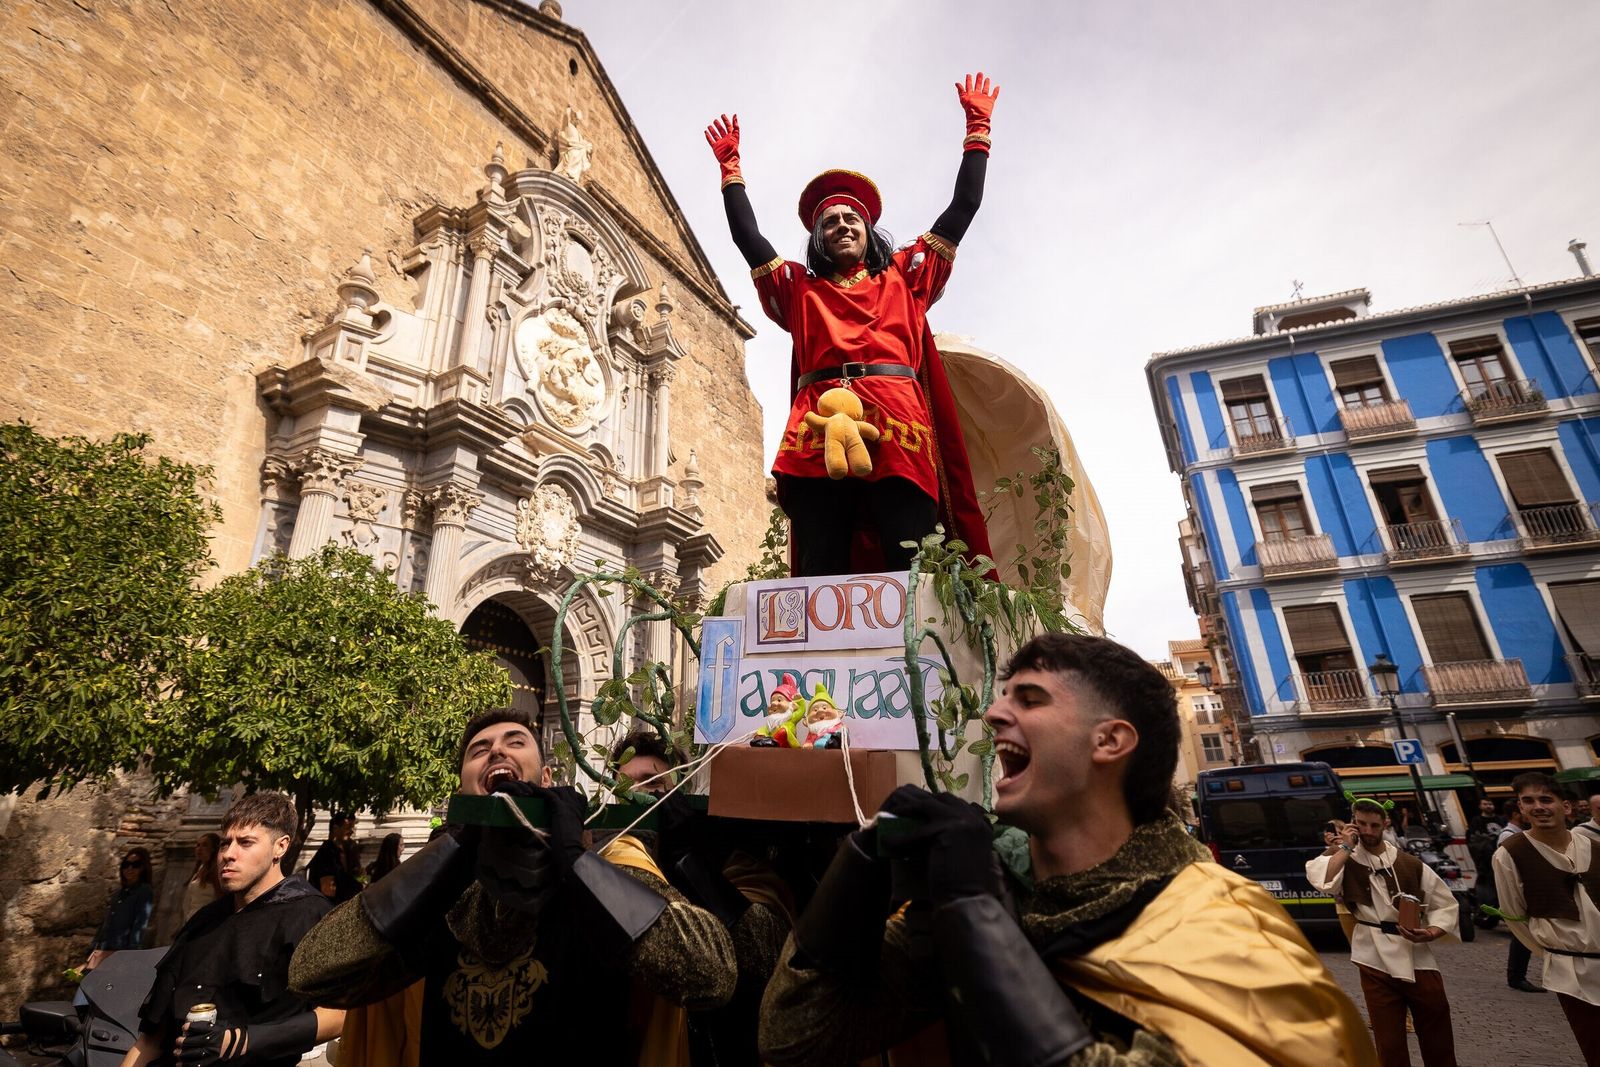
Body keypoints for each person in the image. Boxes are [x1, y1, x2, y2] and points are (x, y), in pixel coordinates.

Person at [761, 632, 1374, 1066]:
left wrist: (976, 916)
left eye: (1029, 699)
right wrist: (861, 865)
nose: (995, 713)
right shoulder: (1006, 890)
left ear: (1109, 741)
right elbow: (792, 1040)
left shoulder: (1225, 927)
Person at [288, 707, 737, 1064]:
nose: (496, 752)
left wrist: (576, 866)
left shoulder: (611, 867)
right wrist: (457, 850)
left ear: (546, 780)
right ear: (462, 789)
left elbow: (711, 975)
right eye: (479, 749)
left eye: (514, 742)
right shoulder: (442, 899)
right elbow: (313, 974)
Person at [704, 74, 998, 577]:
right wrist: (732, 171)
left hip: (898, 419)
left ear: (867, 230)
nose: (841, 224)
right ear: (819, 238)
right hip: (816, 424)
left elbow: (962, 209)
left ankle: (915, 653)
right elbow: (746, 237)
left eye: (850, 219)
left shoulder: (907, 275)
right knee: (823, 560)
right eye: (830, 222)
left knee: (910, 556)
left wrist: (978, 130)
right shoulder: (799, 290)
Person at [609, 728, 795, 1067]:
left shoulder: (737, 867)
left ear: (682, 790)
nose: (637, 799)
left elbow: (769, 959)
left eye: (652, 784)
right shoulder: (610, 872)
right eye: (625, 789)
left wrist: (689, 863)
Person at [121, 792, 342, 1067]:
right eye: (225, 842)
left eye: (246, 842)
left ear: (280, 847)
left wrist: (242, 1041)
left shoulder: (309, 914)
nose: (228, 854)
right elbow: (151, 1041)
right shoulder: (203, 921)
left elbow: (338, 1016)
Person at [1317, 797, 1459, 1067]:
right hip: (1373, 955)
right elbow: (1324, 881)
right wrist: (1346, 845)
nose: (1368, 831)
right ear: (1353, 824)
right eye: (1361, 825)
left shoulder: (1410, 863)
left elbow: (1445, 904)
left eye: (1373, 825)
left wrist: (1430, 932)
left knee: (1437, 1030)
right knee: (1389, 1040)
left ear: (1386, 823)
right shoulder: (1344, 859)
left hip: (1417, 952)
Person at [1492, 772, 1600, 1065]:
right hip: (1571, 968)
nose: (1538, 806)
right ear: (1521, 808)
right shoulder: (1509, 854)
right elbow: (1515, 916)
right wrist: (1553, 950)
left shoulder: (1593, 846)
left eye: (1545, 799)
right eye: (1528, 801)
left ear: (1566, 807)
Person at [84, 847, 155, 972]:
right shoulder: (119, 893)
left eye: (136, 865)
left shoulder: (144, 891)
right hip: (105, 948)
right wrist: (93, 946)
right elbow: (106, 923)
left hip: (121, 952)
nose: (130, 869)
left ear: (143, 868)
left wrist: (131, 955)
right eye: (126, 865)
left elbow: (139, 924)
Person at [1497, 806, 1543, 992]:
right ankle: (1516, 976)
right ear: (1516, 814)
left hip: (1533, 887)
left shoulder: (1523, 834)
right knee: (1522, 933)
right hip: (1521, 889)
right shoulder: (1508, 836)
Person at [1308, 819, 1358, 942]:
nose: (1335, 835)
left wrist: (1346, 845)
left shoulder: (1356, 847)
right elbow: (1320, 871)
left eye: (1339, 832)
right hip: (1343, 906)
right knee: (1355, 945)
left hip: (1361, 904)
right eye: (1329, 832)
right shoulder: (1329, 851)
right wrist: (1334, 847)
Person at [307, 812, 362, 903]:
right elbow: (328, 889)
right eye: (348, 828)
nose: (352, 831)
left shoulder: (350, 849)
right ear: (336, 829)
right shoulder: (326, 853)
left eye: (353, 827)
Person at [180, 832, 224, 924]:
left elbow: (221, 899)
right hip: (192, 918)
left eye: (205, 845)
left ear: (213, 849)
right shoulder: (200, 868)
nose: (199, 849)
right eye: (198, 845)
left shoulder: (215, 871)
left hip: (205, 920)